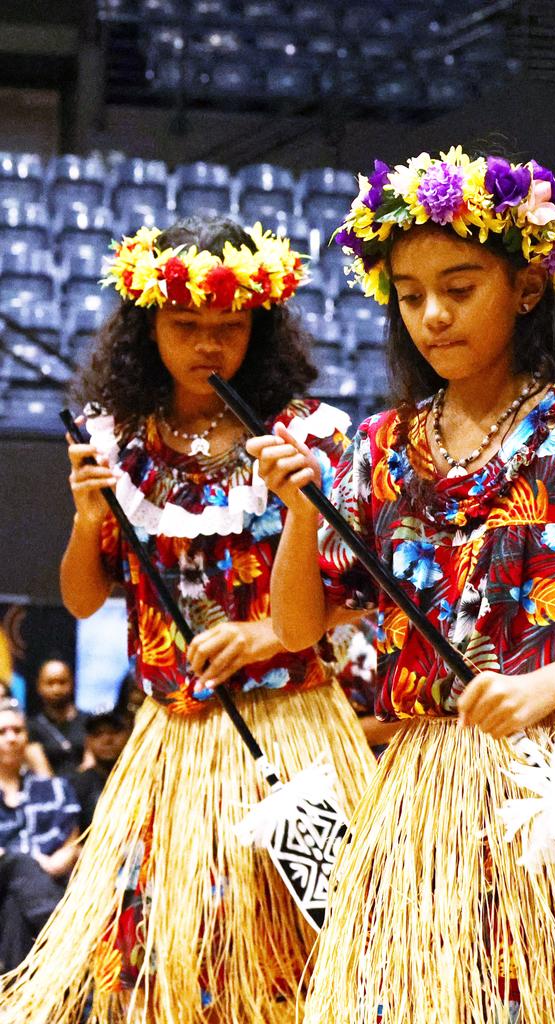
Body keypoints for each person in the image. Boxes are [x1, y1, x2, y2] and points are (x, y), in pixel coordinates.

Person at [249, 148, 555, 1023]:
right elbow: (301, 628)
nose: (432, 314)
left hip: (552, 784)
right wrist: (301, 516)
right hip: (421, 793)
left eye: (460, 288)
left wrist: (544, 685)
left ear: (527, 288)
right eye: (412, 293)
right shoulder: (379, 447)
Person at [0, 216, 376, 1023]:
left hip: (292, 728)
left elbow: (360, 587)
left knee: (297, 962)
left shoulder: (307, 437)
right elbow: (80, 598)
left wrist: (268, 633)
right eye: (185, 327)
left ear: (260, 328)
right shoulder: (118, 442)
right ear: (147, 328)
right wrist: (83, 513)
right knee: (153, 965)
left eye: (230, 328)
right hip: (166, 742)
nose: (209, 347)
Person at [0, 697, 80, 972]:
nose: (11, 738)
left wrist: (51, 864)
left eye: (18, 731)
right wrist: (31, 862)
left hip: (43, 884)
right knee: (18, 862)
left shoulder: (55, 787)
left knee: (15, 906)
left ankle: (15, 996)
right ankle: (67, 933)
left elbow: (73, 843)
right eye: (2, 732)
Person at [71, 706, 132, 832]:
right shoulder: (77, 785)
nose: (107, 740)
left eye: (114, 732)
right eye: (98, 734)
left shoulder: (145, 780)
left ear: (129, 735)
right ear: (87, 741)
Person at [27, 659, 88, 777]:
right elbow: (41, 770)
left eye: (62, 682)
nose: (56, 689)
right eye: (50, 683)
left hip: (86, 787)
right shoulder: (31, 727)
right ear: (39, 686)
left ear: (72, 683)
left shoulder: (89, 722)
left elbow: (91, 763)